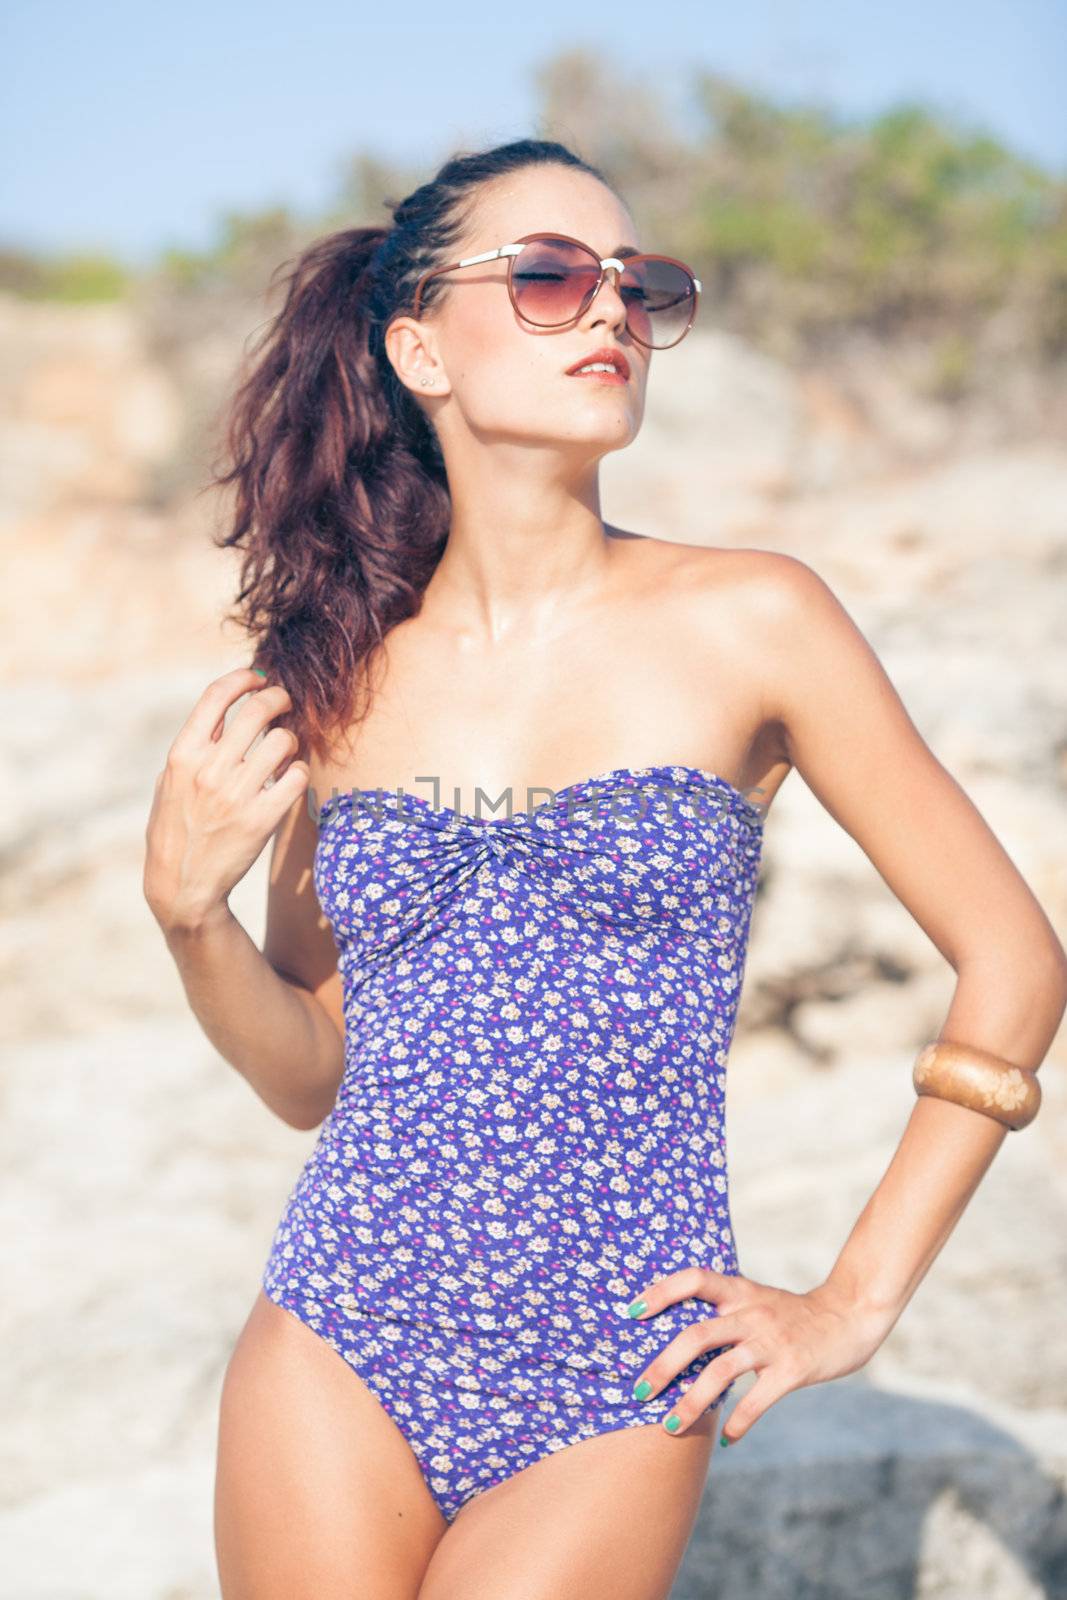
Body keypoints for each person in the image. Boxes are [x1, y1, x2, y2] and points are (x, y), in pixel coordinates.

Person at [143, 137, 1067, 1600]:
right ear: (418, 348)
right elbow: (315, 1067)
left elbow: (1016, 962)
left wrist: (851, 1302)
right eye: (553, 277)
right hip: (342, 1319)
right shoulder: (334, 671)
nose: (612, 313)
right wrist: (189, 919)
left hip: (622, 1355)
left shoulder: (756, 617)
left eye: (641, 285)